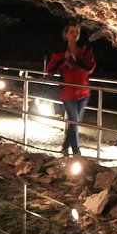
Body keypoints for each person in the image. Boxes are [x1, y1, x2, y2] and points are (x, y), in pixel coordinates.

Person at [45, 21, 96, 156]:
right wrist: (63, 60)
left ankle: (65, 148)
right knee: (74, 122)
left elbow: (90, 68)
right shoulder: (60, 52)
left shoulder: (85, 50)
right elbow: (49, 71)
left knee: (74, 123)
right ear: (66, 34)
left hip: (83, 92)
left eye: (77, 32)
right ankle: (76, 152)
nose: (74, 35)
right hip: (68, 93)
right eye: (72, 32)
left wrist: (76, 60)